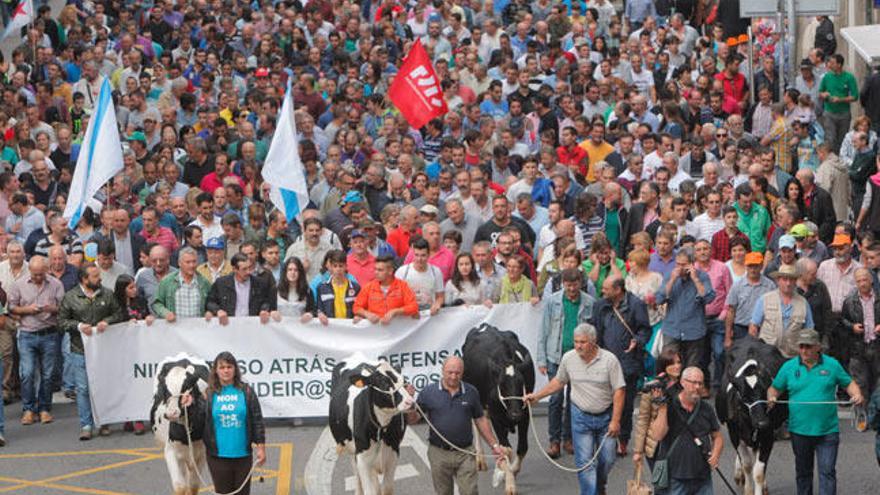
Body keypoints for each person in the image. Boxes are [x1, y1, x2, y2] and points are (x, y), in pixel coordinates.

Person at [527, 323, 625, 495]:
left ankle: (599, 486)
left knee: (608, 459)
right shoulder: (568, 358)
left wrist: (616, 421)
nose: (578, 345)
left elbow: (619, 390)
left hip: (606, 417)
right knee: (585, 464)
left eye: (583, 342)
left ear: (593, 342)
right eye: (576, 341)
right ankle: (591, 492)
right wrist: (537, 396)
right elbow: (558, 381)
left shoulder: (610, 360)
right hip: (580, 417)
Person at [768, 329, 864, 494]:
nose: (804, 350)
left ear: (818, 347)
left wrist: (856, 394)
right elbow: (774, 389)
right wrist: (772, 398)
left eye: (808, 346)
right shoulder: (789, 367)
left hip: (827, 430)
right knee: (803, 474)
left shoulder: (832, 365)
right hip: (799, 431)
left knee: (827, 472)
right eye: (801, 346)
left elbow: (848, 384)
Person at [404, 356, 504, 495]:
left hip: (465, 453)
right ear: (442, 371)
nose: (453, 376)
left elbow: (480, 420)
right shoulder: (428, 392)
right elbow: (413, 420)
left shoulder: (471, 392)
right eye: (450, 372)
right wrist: (408, 403)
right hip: (438, 453)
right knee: (443, 492)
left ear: (462, 373)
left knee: (469, 491)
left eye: (457, 373)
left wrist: (494, 445)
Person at [58, 264, 125, 440]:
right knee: (83, 388)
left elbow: (119, 314)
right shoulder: (70, 297)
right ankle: (86, 424)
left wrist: (107, 321)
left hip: (103, 350)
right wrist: (78, 326)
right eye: (95, 276)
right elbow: (61, 321)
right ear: (84, 279)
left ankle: (104, 422)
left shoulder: (107, 294)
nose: (100, 279)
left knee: (103, 385)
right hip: (79, 349)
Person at [537, 268, 596, 458]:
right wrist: (542, 358)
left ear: (580, 283)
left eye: (575, 284)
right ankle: (554, 440)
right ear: (563, 283)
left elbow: (593, 333)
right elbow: (543, 330)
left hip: (579, 358)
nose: (571, 289)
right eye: (568, 285)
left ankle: (568, 438)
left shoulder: (589, 302)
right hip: (556, 356)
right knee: (555, 399)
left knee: (574, 399)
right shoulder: (553, 301)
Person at [593, 275, 651, 456]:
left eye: (606, 288)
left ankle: (623, 438)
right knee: (604, 401)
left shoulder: (636, 305)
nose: (603, 291)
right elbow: (595, 329)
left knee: (625, 404)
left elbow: (644, 329)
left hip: (627, 362)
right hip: (605, 361)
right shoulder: (600, 305)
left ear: (618, 290)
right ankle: (606, 436)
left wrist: (637, 341)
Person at [196, 351, 266, 495]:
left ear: (235, 369)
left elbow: (257, 420)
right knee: (223, 492)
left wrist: (261, 448)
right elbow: (197, 422)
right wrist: (190, 405)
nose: (226, 370)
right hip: (217, 457)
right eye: (222, 367)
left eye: (229, 367)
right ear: (216, 371)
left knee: (243, 493)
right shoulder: (207, 394)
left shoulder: (246, 391)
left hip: (243, 455)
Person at [8, 256, 64, 426]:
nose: (38, 277)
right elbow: (10, 307)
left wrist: (51, 308)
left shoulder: (56, 284)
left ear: (46, 271)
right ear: (29, 271)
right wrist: (28, 310)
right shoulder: (19, 285)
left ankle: (45, 408)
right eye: (35, 274)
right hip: (27, 333)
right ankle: (28, 408)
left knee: (48, 375)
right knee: (27, 373)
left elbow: (64, 308)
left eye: (41, 274)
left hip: (49, 333)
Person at [649, 367, 724, 495]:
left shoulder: (706, 408)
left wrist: (716, 454)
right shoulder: (669, 406)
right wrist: (662, 408)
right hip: (675, 478)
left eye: (700, 383)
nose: (697, 387)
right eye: (693, 382)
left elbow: (717, 436)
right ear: (683, 382)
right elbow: (658, 435)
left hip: (702, 476)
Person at [656, 248, 716, 369]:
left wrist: (695, 279)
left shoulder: (702, 276)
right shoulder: (669, 275)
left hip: (694, 330)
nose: (679, 267)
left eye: (683, 264)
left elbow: (708, 298)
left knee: (692, 367)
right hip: (672, 329)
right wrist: (672, 280)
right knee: (669, 366)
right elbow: (659, 299)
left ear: (692, 264)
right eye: (677, 264)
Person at [632, 349, 683, 475]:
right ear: (664, 366)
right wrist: (638, 451)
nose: (677, 366)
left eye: (678, 362)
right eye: (672, 364)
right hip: (657, 446)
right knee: (661, 484)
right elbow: (643, 419)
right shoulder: (653, 387)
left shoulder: (687, 385)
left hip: (680, 443)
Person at [841, 267, 880, 425]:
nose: (862, 283)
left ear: (871, 280)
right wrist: (852, 327)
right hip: (858, 347)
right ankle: (862, 416)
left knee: (878, 381)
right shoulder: (850, 301)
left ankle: (876, 414)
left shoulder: (878, 297)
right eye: (859, 281)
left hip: (877, 346)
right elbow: (842, 320)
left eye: (865, 280)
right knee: (860, 382)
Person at [750, 264, 815, 358]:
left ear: (795, 281)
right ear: (777, 280)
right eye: (784, 279)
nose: (788, 283)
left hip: (793, 355)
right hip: (767, 355)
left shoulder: (803, 303)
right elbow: (753, 327)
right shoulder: (764, 299)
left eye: (791, 279)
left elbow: (809, 330)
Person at [206, 253, 278, 325]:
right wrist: (218, 311)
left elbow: (266, 301)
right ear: (234, 269)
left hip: (252, 326)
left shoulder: (259, 283)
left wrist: (264, 310)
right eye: (244, 269)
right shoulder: (221, 283)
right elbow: (210, 302)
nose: (248, 272)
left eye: (249, 267)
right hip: (229, 326)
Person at [725, 252, 777, 347]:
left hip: (763, 329)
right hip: (740, 329)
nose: (753, 269)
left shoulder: (770, 286)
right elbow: (731, 311)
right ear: (746, 266)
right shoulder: (737, 286)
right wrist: (728, 336)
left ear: (761, 266)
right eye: (750, 266)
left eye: (756, 266)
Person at [353, 255, 419, 324]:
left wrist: (395, 311)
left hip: (397, 331)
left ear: (390, 271)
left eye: (380, 270)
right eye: (375, 269)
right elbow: (356, 307)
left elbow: (413, 306)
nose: (376, 272)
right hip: (375, 330)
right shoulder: (369, 287)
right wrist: (366, 314)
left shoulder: (402, 286)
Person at [152, 247, 212, 322]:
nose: (192, 265)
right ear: (179, 263)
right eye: (188, 262)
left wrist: (209, 312)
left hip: (198, 330)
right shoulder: (167, 282)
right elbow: (157, 303)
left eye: (194, 261)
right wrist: (166, 313)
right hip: (174, 330)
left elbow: (211, 303)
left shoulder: (204, 282)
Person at [396, 238, 445, 314]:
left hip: (429, 313)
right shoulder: (402, 272)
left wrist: (437, 304)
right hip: (408, 314)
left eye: (423, 255)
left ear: (428, 255)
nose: (419, 259)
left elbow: (440, 296)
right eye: (416, 255)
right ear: (413, 254)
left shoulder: (436, 272)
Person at [313, 250, 361, 324]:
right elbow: (318, 308)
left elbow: (360, 308)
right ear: (331, 267)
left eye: (341, 266)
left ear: (346, 266)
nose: (338, 269)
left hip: (350, 330)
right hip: (330, 330)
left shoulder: (356, 288)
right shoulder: (321, 288)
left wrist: (359, 315)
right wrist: (319, 313)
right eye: (335, 266)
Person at [273, 257, 316, 322]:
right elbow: (269, 308)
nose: (293, 273)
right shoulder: (275, 289)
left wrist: (310, 314)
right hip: (279, 329)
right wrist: (272, 312)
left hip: (300, 330)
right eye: (290, 270)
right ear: (285, 272)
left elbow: (313, 310)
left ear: (300, 272)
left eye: (296, 270)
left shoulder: (307, 291)